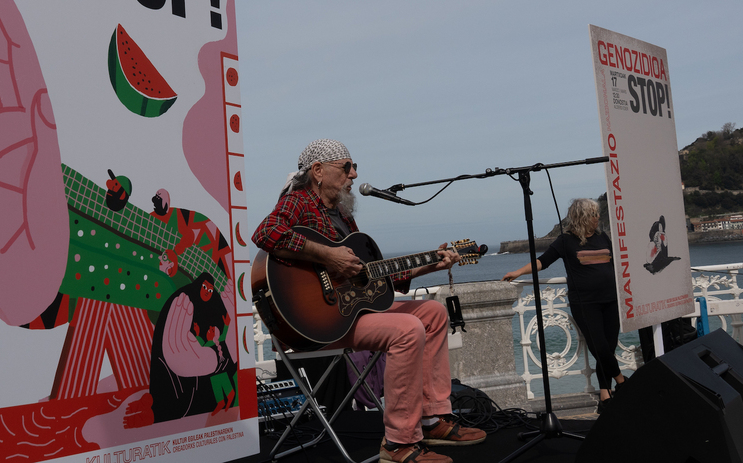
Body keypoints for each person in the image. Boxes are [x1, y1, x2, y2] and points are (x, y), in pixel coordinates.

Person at [252, 139, 485, 463]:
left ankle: (432, 419)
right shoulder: (299, 202)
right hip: (318, 324)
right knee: (407, 329)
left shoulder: (343, 217)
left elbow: (373, 277)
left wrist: (433, 262)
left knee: (432, 312)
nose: (354, 173)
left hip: (348, 314)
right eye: (347, 166)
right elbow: (266, 232)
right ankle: (398, 443)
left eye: (353, 167)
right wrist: (328, 255)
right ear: (318, 171)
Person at [502, 198, 625, 413]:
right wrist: (518, 272)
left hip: (611, 299)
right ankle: (622, 381)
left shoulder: (602, 237)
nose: (598, 218)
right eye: (594, 214)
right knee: (600, 347)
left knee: (609, 347)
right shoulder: (566, 241)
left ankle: (605, 394)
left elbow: (615, 263)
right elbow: (543, 261)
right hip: (585, 303)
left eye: (597, 214)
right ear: (583, 217)